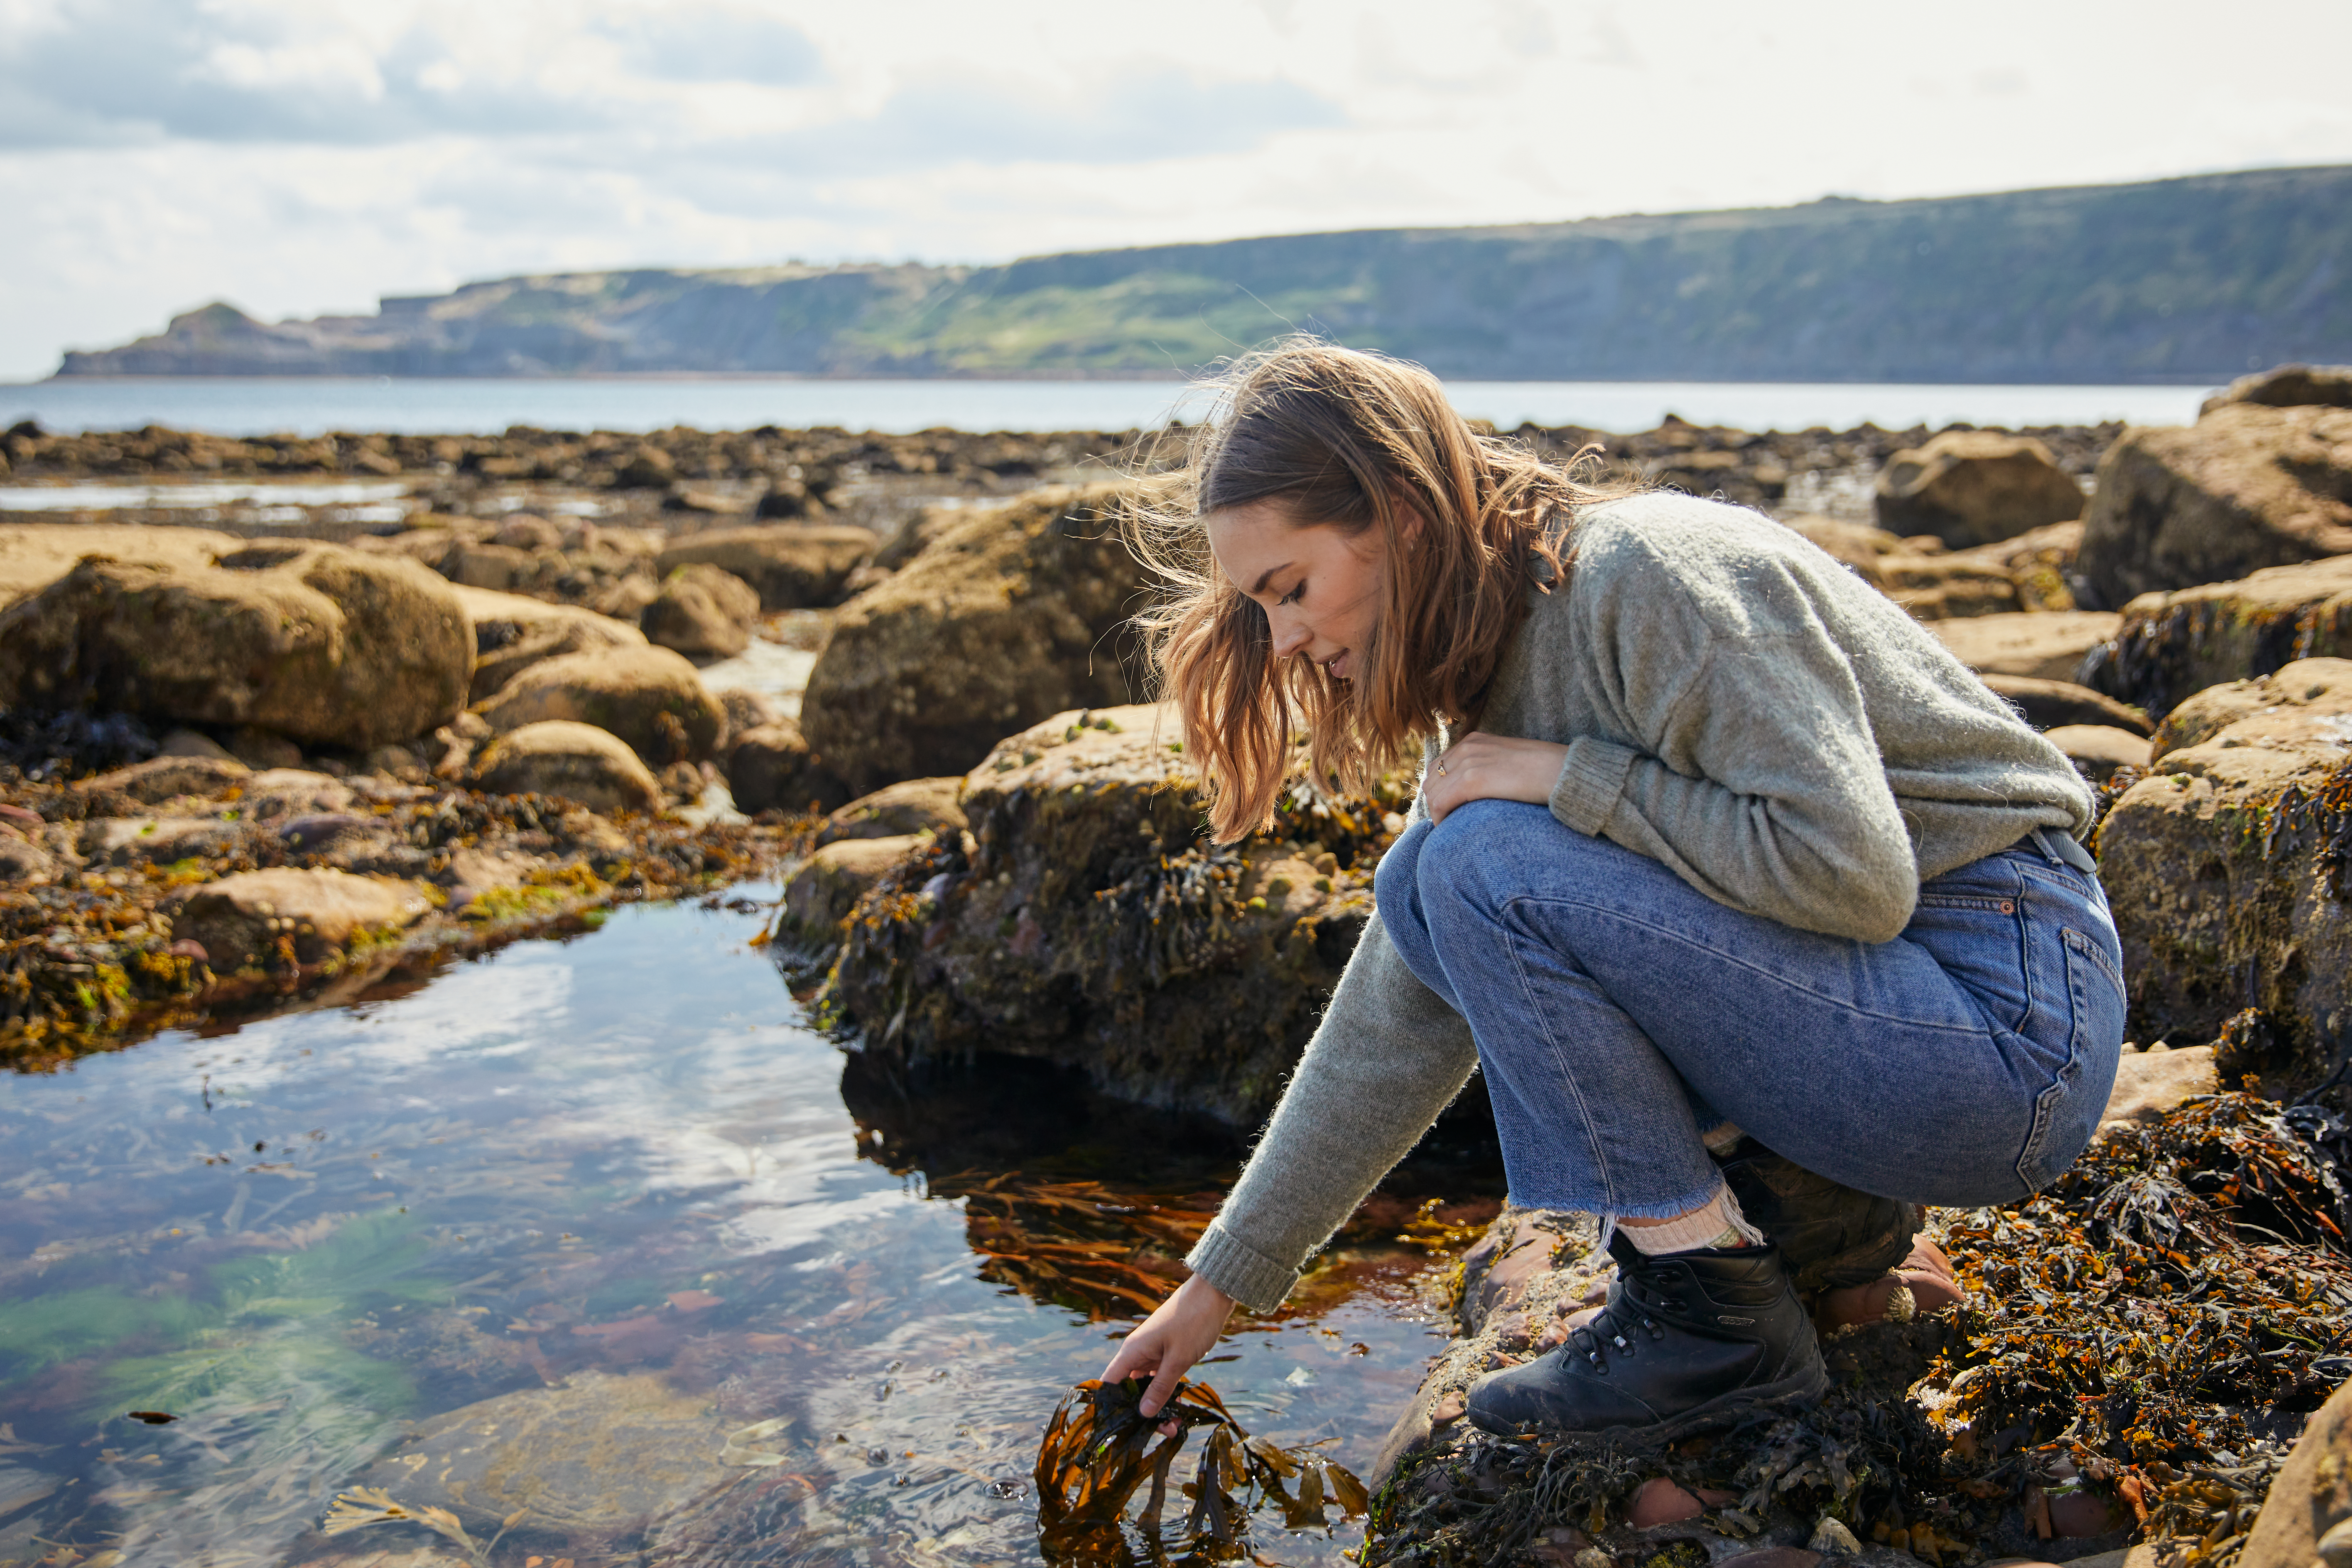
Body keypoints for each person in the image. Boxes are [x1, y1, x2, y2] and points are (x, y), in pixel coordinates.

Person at [1100, 339, 2125, 1441]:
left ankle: (1704, 1311)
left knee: (1475, 860)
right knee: (1425, 882)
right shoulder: (1488, 650)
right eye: (1258, 607)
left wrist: (1569, 780)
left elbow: (1852, 875)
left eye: (1289, 589)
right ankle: (1825, 1243)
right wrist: (1220, 1285)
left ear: (1398, 510)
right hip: (1896, 1015)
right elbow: (1394, 1017)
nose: (1284, 636)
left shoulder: (1645, 577)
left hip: (2005, 1028)